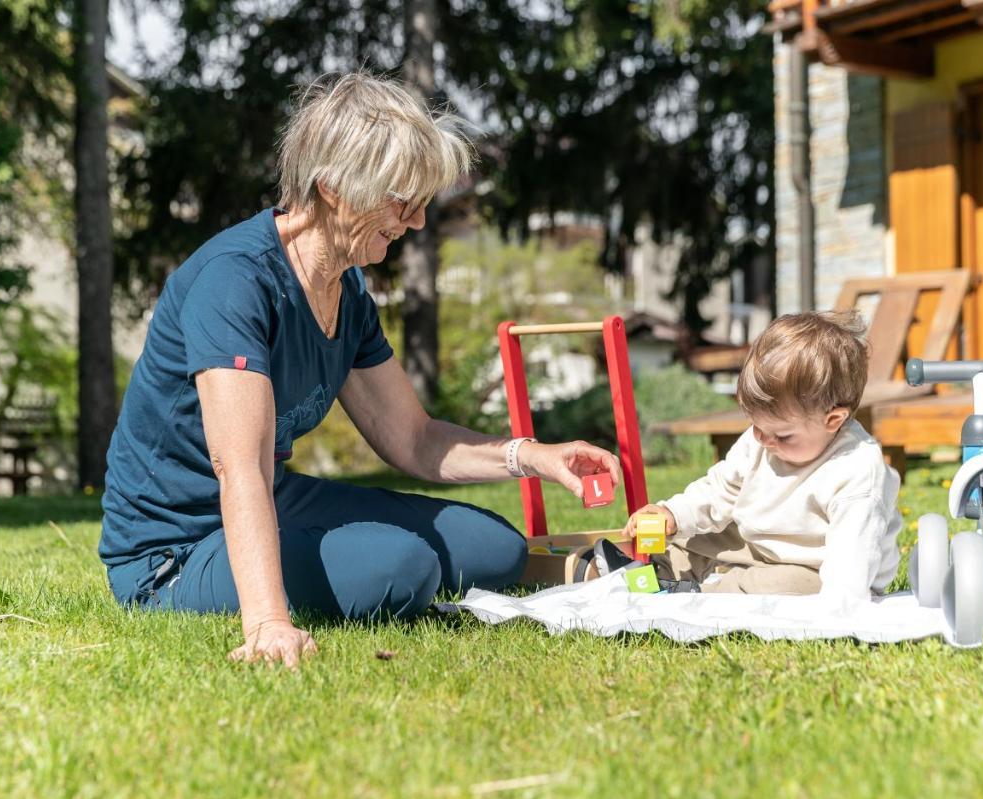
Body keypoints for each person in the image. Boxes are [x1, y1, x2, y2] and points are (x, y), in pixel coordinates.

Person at [99, 71, 621, 668]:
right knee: (399, 568)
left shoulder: (346, 292)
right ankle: (235, 591)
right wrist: (269, 622)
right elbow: (236, 465)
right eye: (403, 201)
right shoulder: (234, 281)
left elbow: (415, 439)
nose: (418, 222)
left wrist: (534, 457)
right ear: (333, 188)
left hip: (273, 497)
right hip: (176, 547)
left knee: (495, 548)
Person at [624, 311, 901, 600]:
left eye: (782, 435)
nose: (763, 440)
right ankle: (656, 571)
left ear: (832, 420)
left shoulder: (856, 469)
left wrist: (841, 603)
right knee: (696, 536)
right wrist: (674, 514)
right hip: (758, 543)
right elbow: (719, 490)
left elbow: (852, 557)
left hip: (817, 566)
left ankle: (715, 590)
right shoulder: (760, 441)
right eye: (756, 426)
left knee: (790, 586)